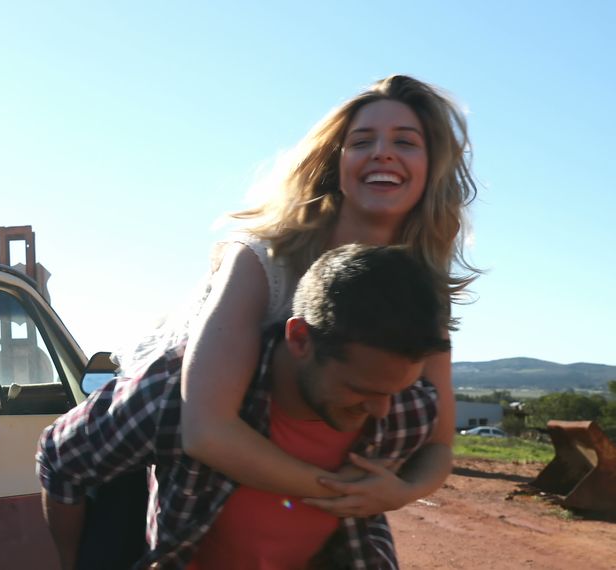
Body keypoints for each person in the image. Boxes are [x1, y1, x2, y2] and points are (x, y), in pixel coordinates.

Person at [38, 244, 451, 569]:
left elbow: (435, 446)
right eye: (361, 390)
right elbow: (61, 458)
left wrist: (403, 490)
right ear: (300, 339)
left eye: (396, 391)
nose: (383, 412)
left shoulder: (403, 412)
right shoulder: (174, 396)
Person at [179, 74, 477, 519]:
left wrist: (397, 492)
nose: (382, 152)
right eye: (361, 141)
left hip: (314, 487)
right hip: (189, 476)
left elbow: (438, 443)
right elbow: (204, 430)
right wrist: (345, 495)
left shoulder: (421, 289)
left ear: (431, 168)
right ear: (337, 164)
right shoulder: (261, 260)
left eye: (406, 141)